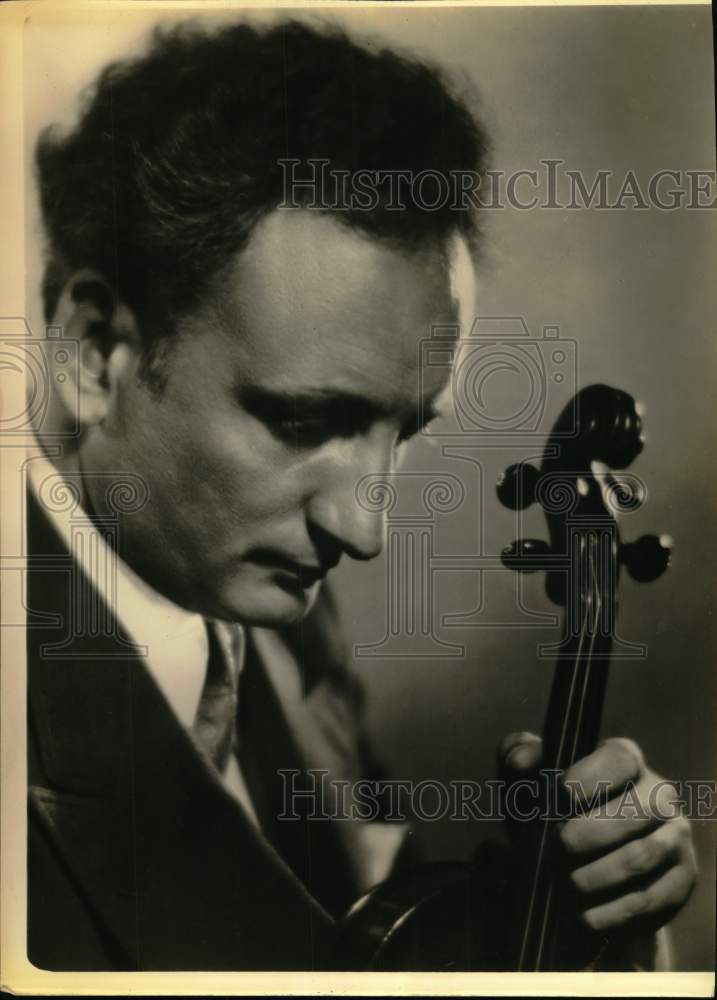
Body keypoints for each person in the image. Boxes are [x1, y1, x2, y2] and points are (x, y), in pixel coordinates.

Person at [26, 17, 696, 971]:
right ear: (97, 352)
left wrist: (593, 939)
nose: (365, 527)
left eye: (406, 432)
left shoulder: (291, 639)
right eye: (303, 423)